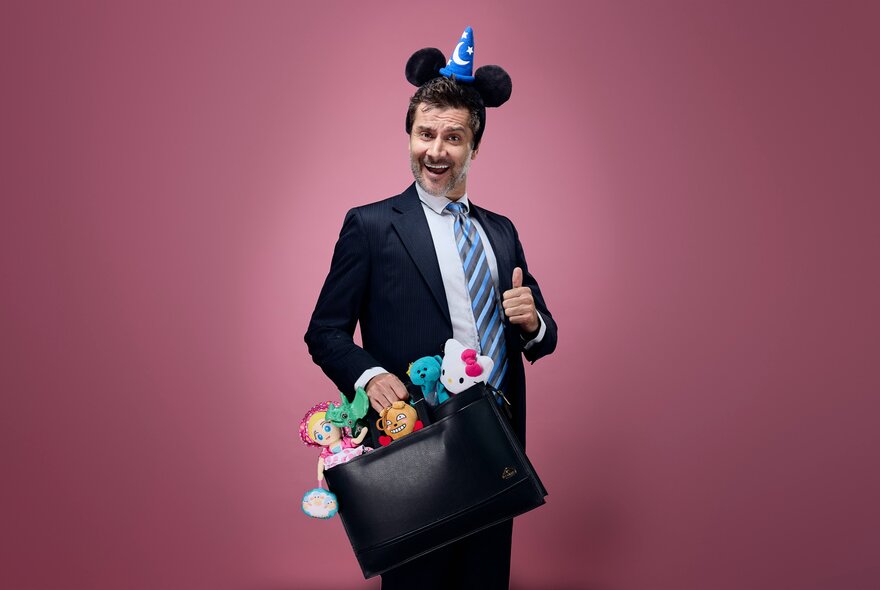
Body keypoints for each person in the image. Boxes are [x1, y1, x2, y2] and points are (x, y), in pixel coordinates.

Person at [304, 27, 557, 589]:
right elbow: (324, 331)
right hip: (414, 440)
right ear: (408, 135)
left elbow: (542, 331)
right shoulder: (370, 226)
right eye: (424, 135)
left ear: (475, 145)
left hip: (497, 437)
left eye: (452, 138)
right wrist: (369, 377)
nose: (435, 152)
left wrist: (534, 323)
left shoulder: (501, 232)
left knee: (486, 577)